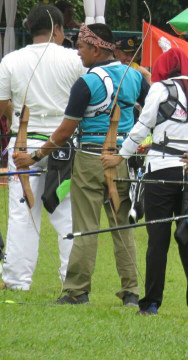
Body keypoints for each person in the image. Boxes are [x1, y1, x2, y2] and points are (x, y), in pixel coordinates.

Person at [18, 23, 150, 305]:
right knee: (121, 227)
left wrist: (35, 156)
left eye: (80, 47)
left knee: (87, 226)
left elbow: (65, 132)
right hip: (123, 160)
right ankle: (131, 292)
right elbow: (147, 114)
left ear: (97, 47)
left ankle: (77, 291)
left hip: (91, 159)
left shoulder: (88, 82)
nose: (78, 53)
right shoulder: (136, 77)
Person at [100, 48, 188, 318]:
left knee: (157, 240)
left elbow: (142, 127)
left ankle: (150, 304)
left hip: (161, 170)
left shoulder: (160, 89)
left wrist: (120, 156)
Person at [0, 5, 85, 291]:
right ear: (58, 30)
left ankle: (17, 282)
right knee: (66, 213)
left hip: (25, 144)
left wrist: (14, 108)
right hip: (61, 145)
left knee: (23, 214)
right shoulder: (74, 59)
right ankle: (71, 280)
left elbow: (1, 107)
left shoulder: (11, 60)